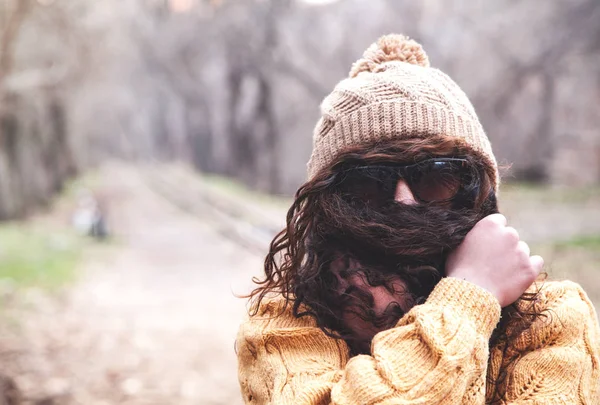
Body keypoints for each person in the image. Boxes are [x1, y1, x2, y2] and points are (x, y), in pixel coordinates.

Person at [236, 34, 600, 404]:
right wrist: (468, 299)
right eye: (369, 182)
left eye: (436, 176)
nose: (404, 201)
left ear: (477, 190)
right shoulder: (282, 324)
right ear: (329, 202)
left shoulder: (548, 318)